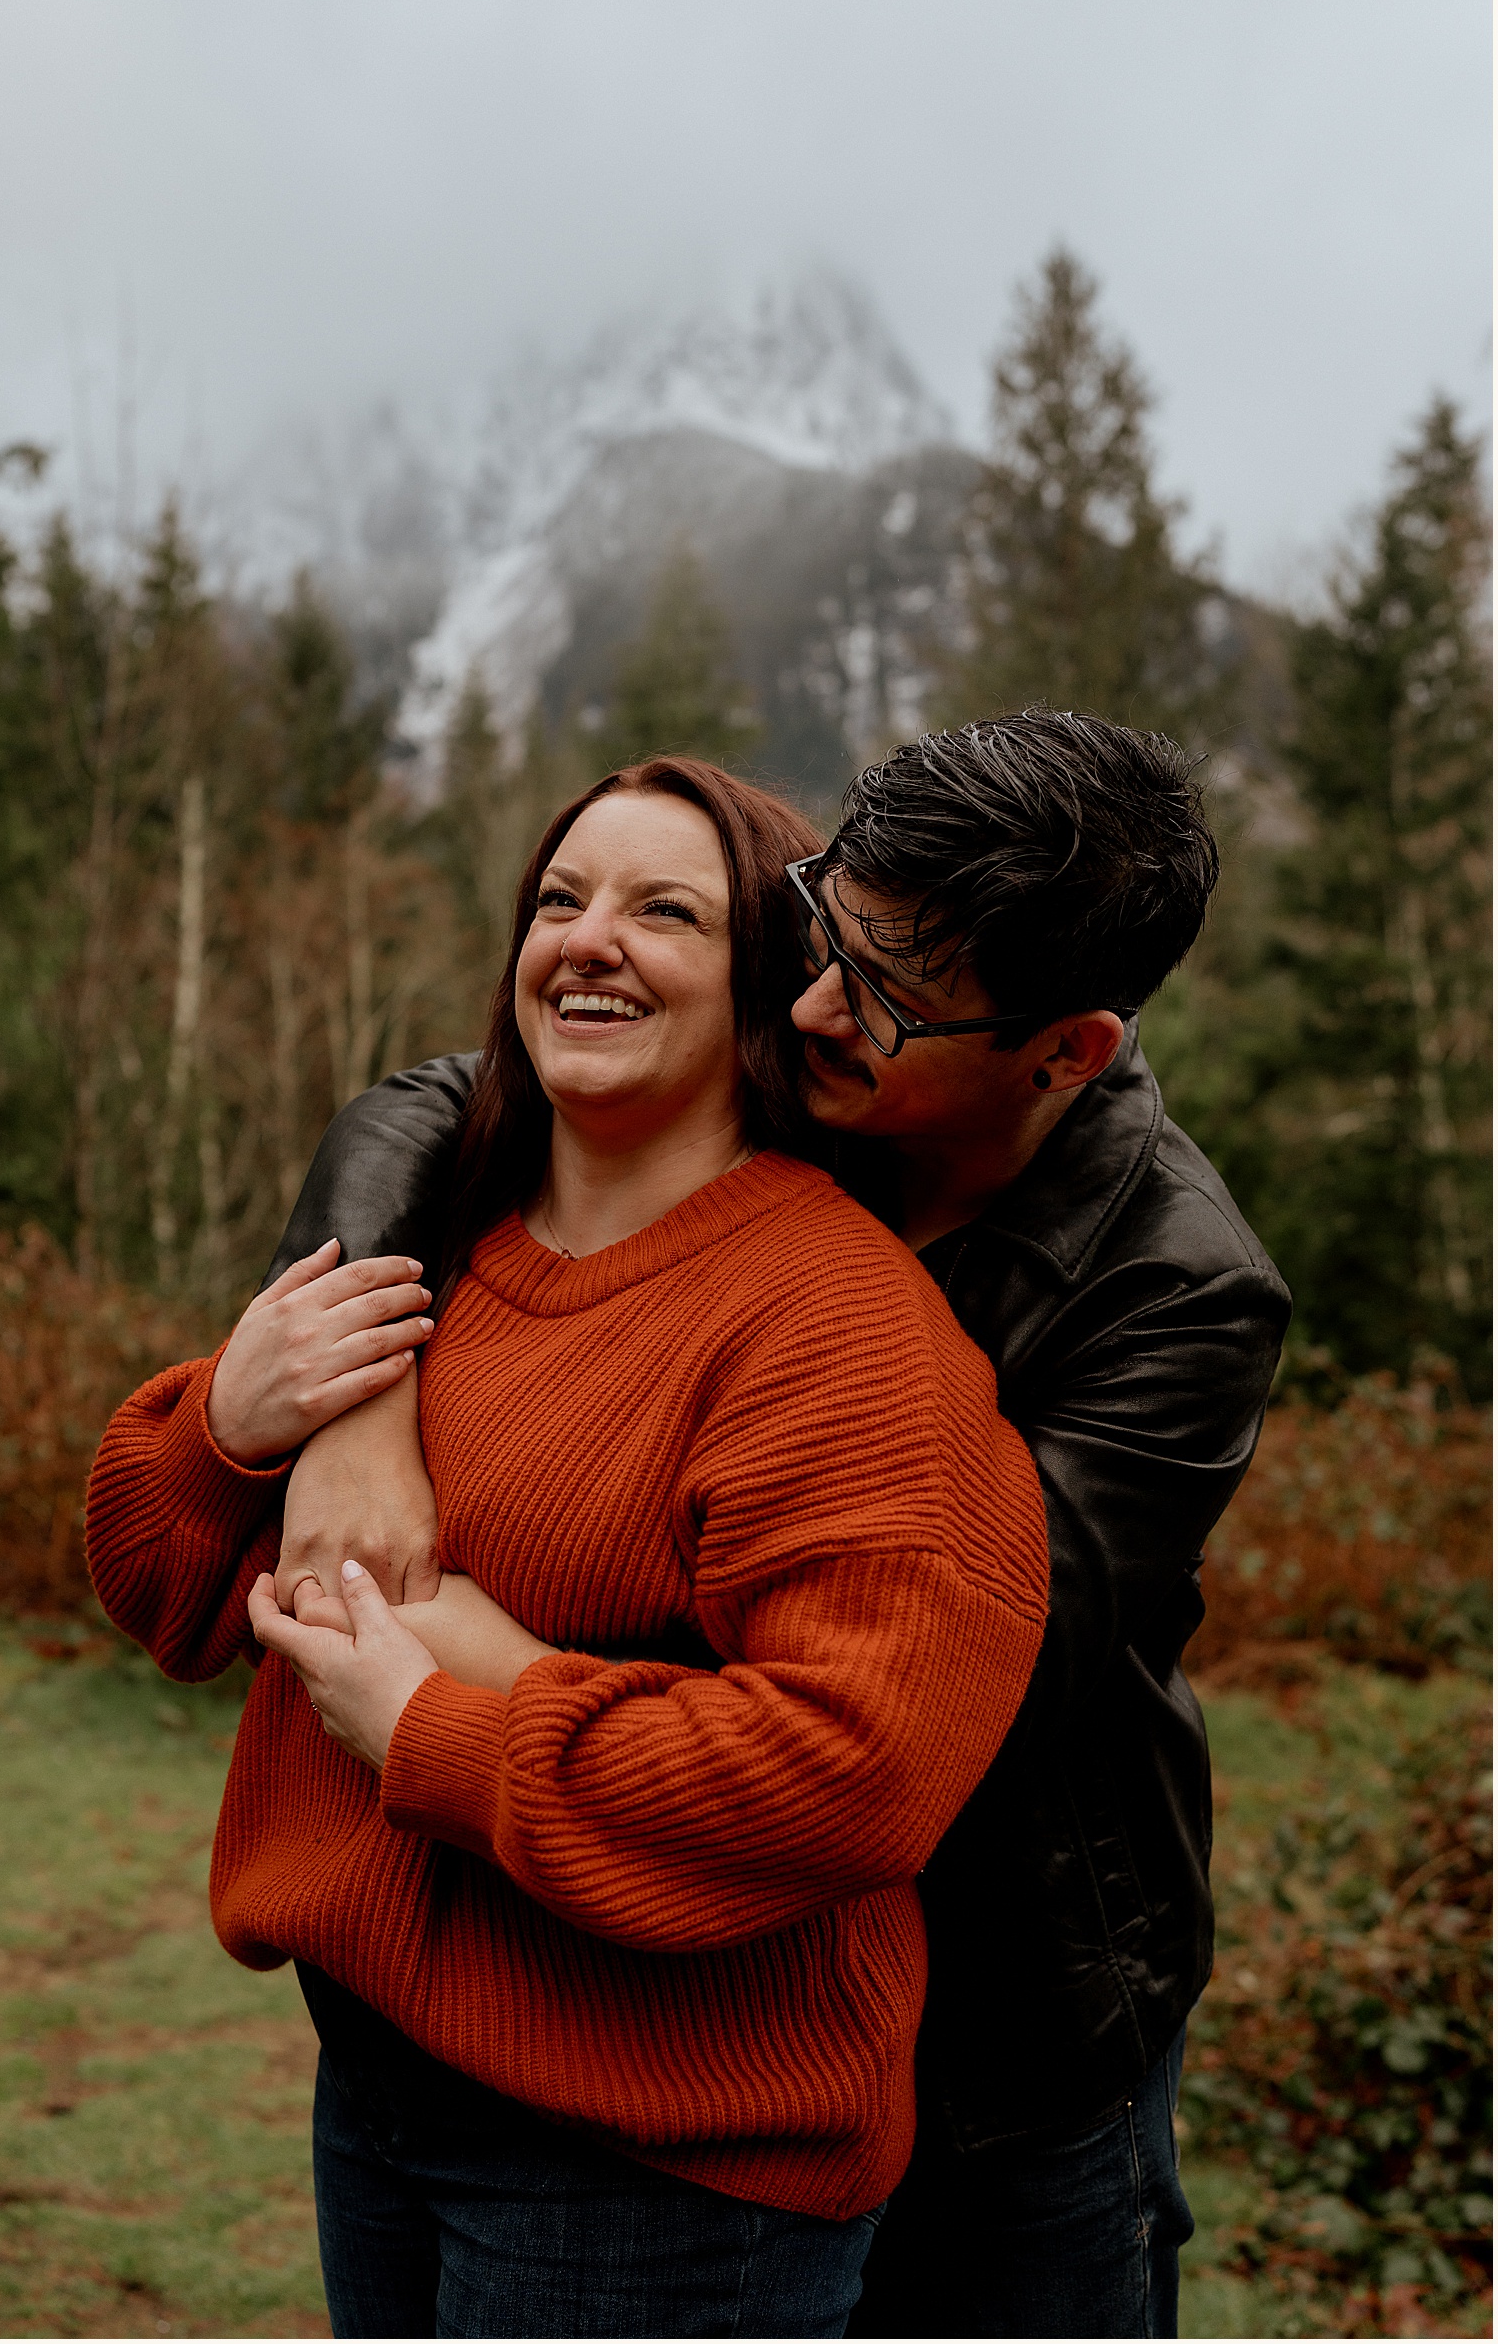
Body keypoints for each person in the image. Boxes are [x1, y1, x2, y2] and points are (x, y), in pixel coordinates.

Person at [264, 710, 1293, 2340]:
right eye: (825, 930)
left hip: (1005, 2023)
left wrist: (503, 1680)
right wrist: (354, 1413)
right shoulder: (821, 1068)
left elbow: (970, 1673)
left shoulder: (1175, 1289)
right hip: (679, 1972)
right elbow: (430, 1106)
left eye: (886, 994)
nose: (812, 1004)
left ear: (1065, 1050)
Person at [85, 757, 1049, 2342]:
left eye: (662, 910)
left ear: (768, 986)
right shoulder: (430, 1250)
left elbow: (854, 1768)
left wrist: (439, 1731)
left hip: (661, 2164)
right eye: (559, 898)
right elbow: (167, 1596)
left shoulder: (837, 1326)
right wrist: (228, 1432)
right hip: (386, 2090)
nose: (588, 938)